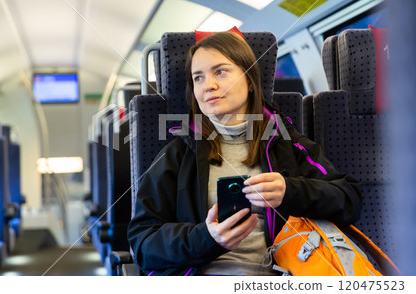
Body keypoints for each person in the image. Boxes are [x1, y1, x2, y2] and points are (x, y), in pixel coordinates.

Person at [127, 31, 362, 276]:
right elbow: (143, 245)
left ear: (250, 80)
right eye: (198, 77)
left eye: (220, 71)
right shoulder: (178, 154)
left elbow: (349, 199)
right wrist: (206, 238)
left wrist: (290, 191)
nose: (208, 85)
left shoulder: (285, 142)